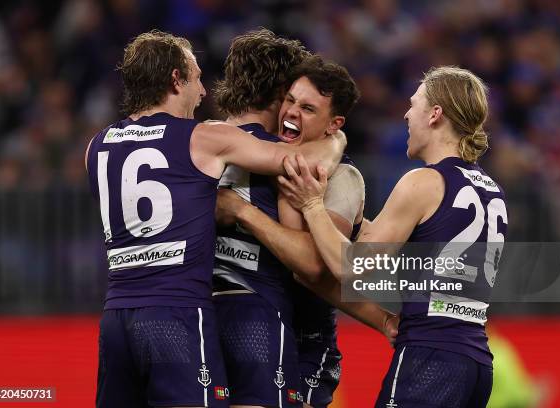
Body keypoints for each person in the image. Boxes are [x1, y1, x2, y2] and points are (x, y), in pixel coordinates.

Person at [84, 30, 346, 408]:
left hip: (115, 316)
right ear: (175, 79)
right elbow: (302, 165)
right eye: (195, 78)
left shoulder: (97, 145)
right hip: (180, 311)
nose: (203, 92)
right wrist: (336, 139)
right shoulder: (204, 138)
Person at [278, 66, 508, 408]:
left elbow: (350, 267)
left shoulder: (423, 182)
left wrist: (311, 204)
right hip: (476, 363)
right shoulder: (492, 189)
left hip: (430, 356)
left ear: (435, 115)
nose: (406, 114)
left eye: (413, 104)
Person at [215, 55, 398, 408]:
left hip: (305, 339)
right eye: (290, 100)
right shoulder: (253, 153)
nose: (293, 112)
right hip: (244, 322)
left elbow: (314, 271)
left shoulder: (343, 180)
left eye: (309, 108)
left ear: (334, 124)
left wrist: (241, 210)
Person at [210, 28, 311, 408]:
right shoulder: (288, 156)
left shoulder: (194, 141)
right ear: (282, 91)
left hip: (192, 312)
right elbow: (310, 265)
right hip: (257, 309)